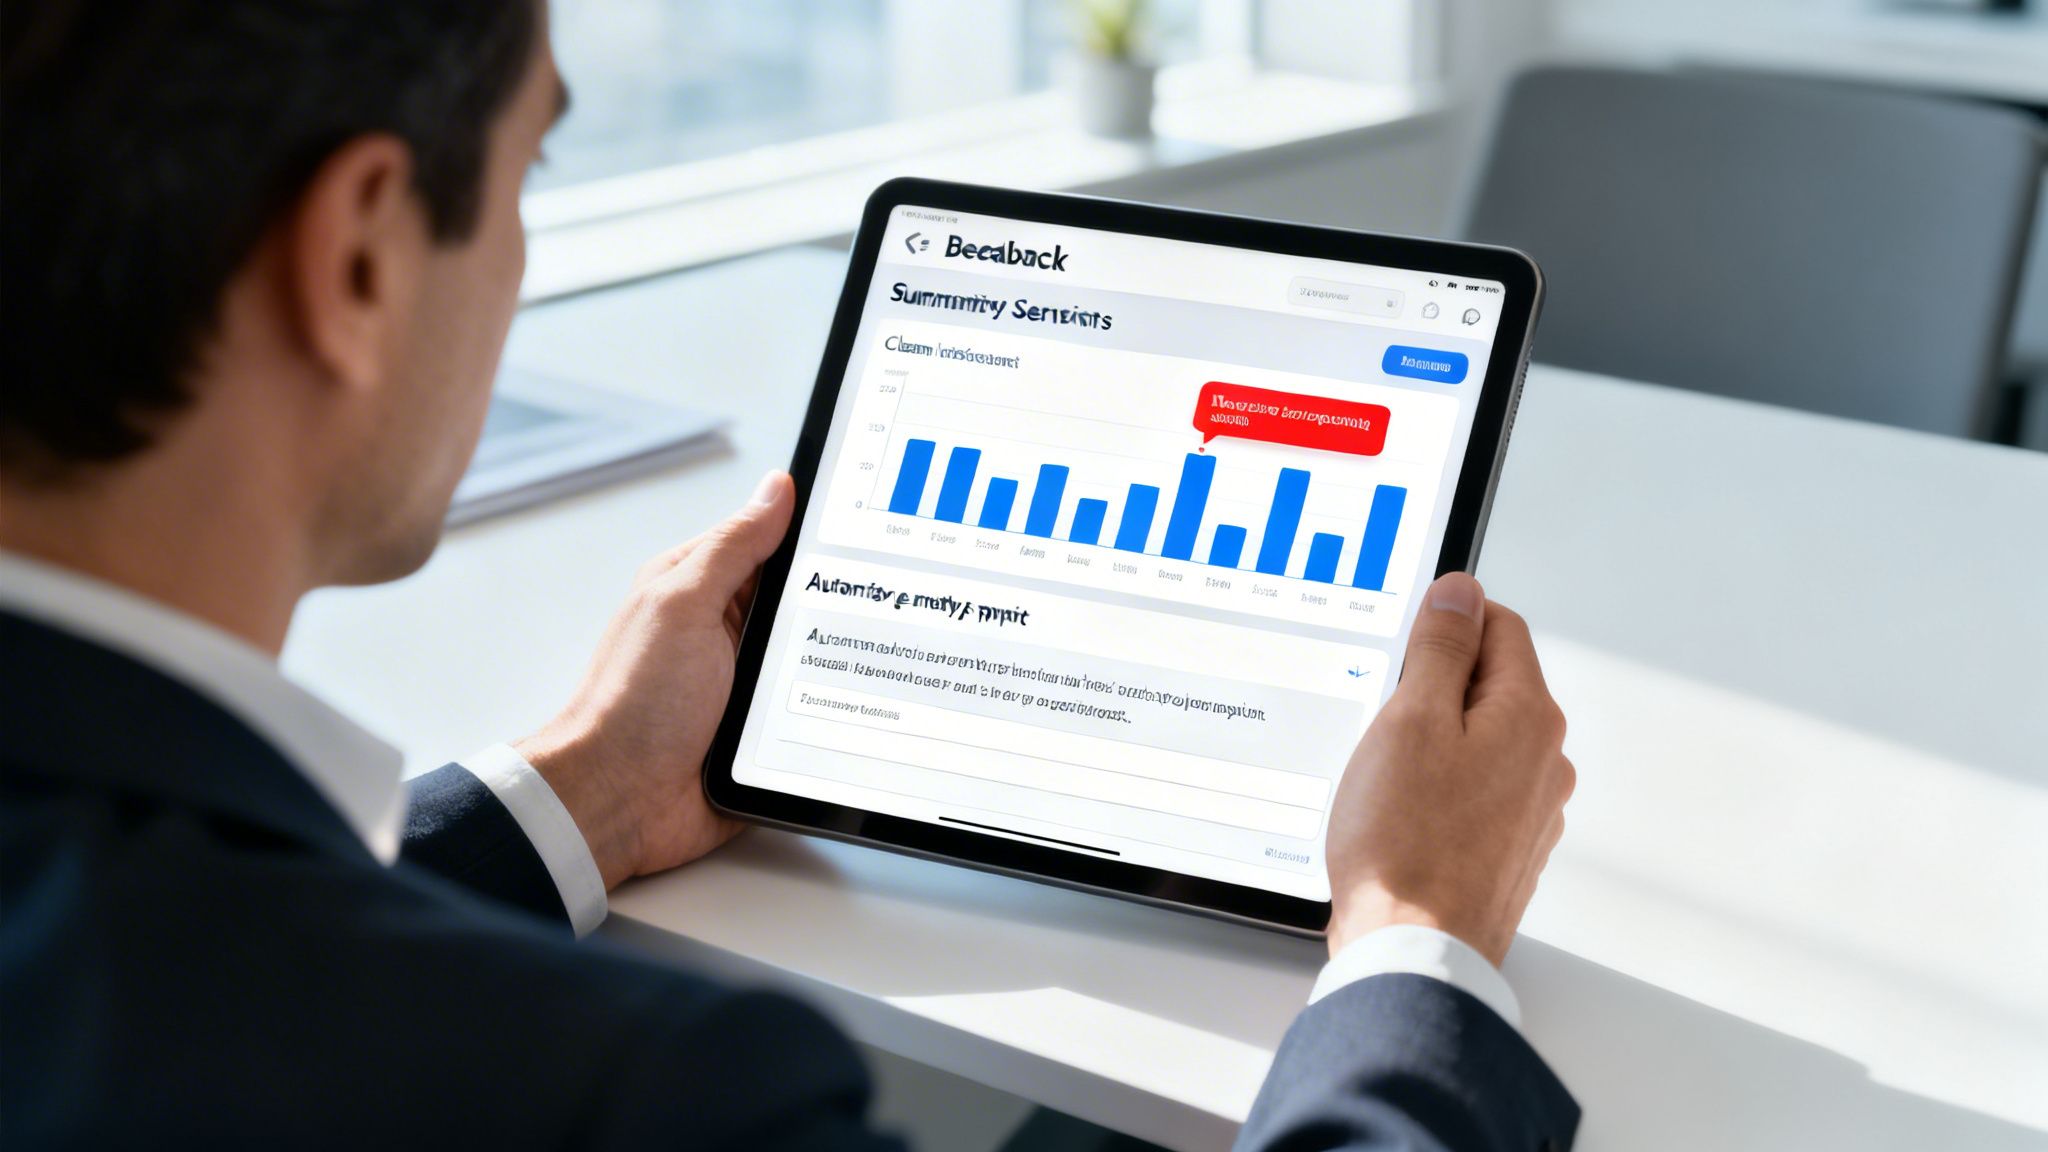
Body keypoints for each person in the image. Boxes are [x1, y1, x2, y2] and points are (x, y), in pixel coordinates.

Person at [0, 2, 1578, 1149]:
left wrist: (587, 794)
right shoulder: (641, 1101)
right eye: (530, 170)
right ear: (354, 258)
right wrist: (1414, 931)